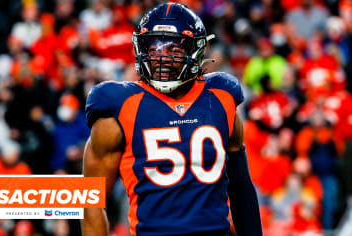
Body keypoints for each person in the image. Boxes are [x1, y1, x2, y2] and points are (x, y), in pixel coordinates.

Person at [81, 3, 262, 236]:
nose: (162, 58)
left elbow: (241, 187)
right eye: (154, 48)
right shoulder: (118, 107)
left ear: (195, 51)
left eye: (173, 50)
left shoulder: (221, 97)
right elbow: (90, 202)